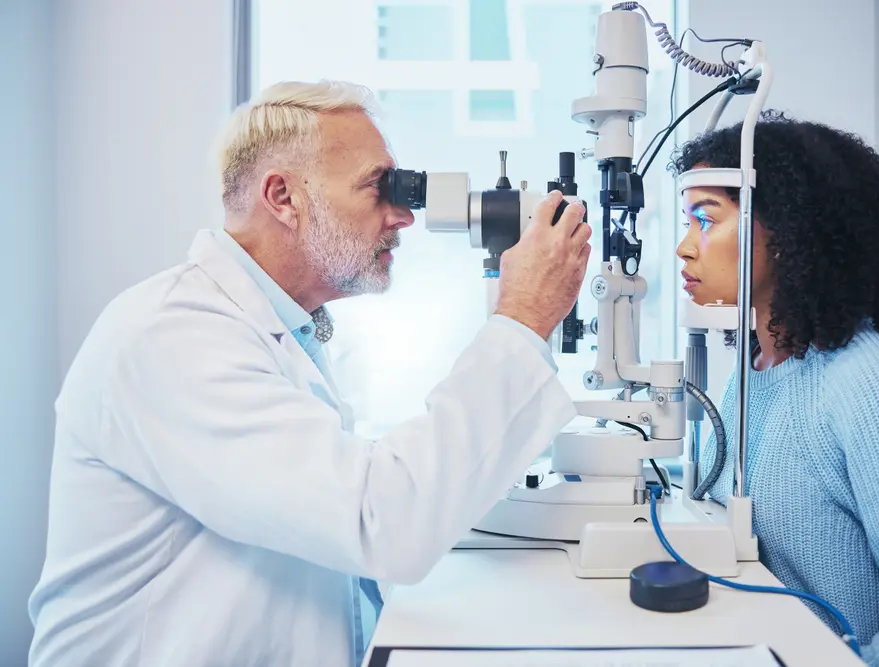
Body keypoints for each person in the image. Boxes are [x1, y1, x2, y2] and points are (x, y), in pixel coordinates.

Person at [27, 80, 591, 667]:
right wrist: (523, 317)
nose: (403, 217)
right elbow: (381, 520)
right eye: (378, 187)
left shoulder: (283, 330)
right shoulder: (173, 336)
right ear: (284, 197)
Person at [671, 110, 879, 666]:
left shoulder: (874, 384)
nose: (684, 247)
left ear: (786, 229)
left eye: (706, 219)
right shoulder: (758, 369)